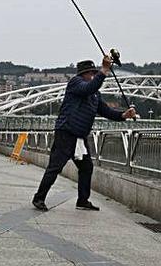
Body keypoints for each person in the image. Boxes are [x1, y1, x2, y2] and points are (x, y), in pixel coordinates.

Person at [32, 55, 138, 211]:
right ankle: (39, 198)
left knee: (86, 167)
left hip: (80, 136)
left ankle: (83, 200)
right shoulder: (76, 83)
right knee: (55, 167)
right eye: (91, 74)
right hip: (66, 132)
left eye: (95, 74)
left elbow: (106, 111)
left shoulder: (95, 95)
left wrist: (123, 115)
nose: (93, 76)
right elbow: (89, 88)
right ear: (83, 74)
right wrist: (104, 70)